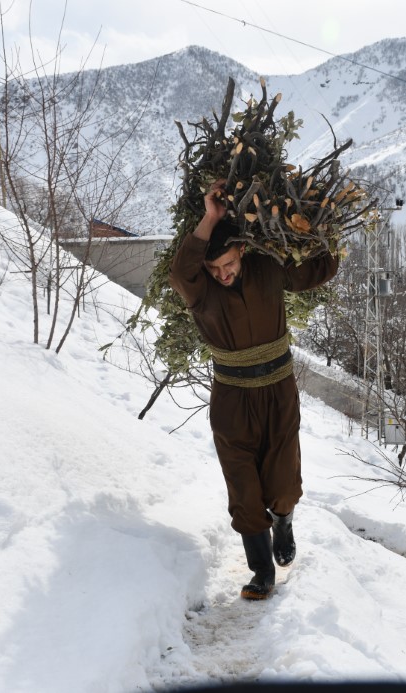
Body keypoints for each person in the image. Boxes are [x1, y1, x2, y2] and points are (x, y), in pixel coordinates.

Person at [169, 180, 340, 600]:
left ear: (241, 252)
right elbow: (179, 272)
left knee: (282, 484)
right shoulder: (201, 293)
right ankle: (262, 570)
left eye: (227, 264)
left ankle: (283, 521)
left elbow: (315, 270)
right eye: (215, 270)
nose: (222, 274)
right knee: (244, 490)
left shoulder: (266, 267)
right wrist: (210, 218)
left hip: (279, 393)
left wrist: (323, 230)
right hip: (232, 400)